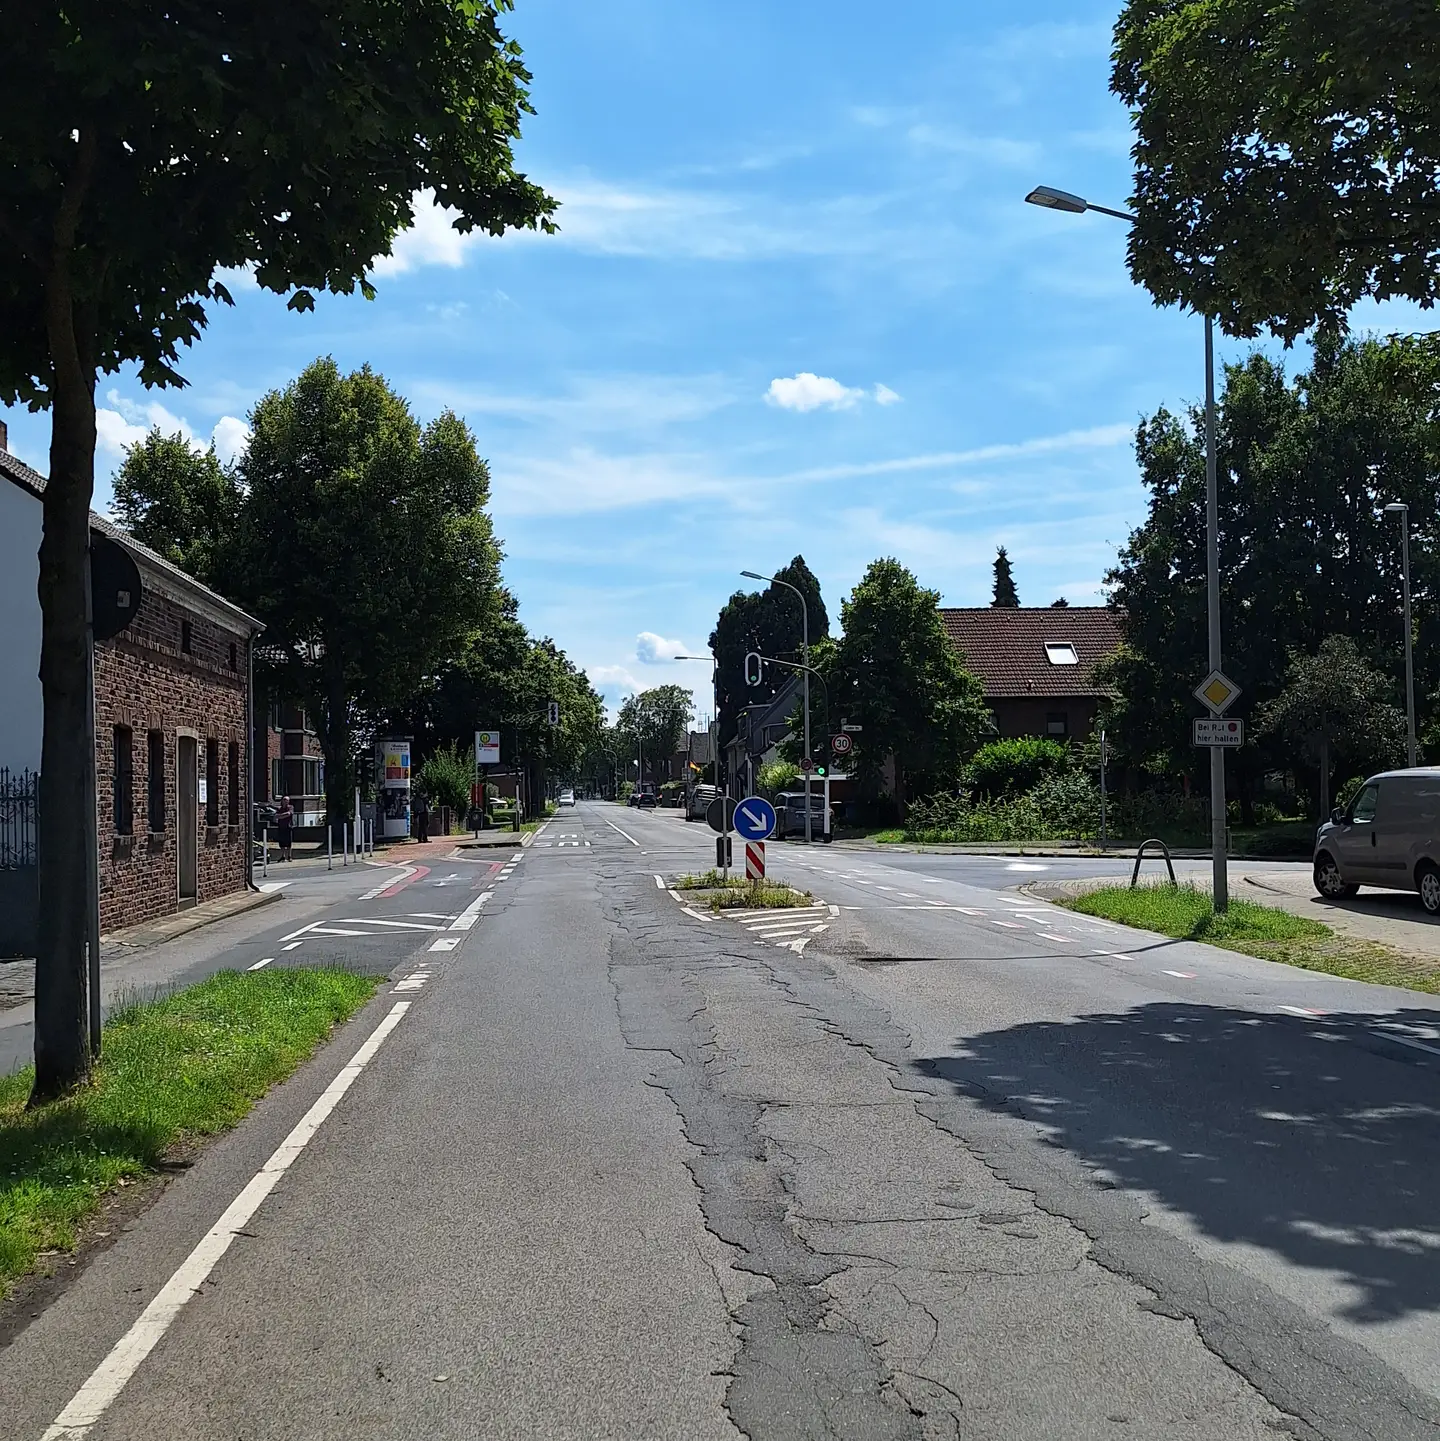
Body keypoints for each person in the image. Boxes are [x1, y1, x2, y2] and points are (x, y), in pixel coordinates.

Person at [275, 795, 294, 861]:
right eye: (284, 800)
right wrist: (283, 815)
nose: (285, 801)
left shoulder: (290, 807)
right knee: (281, 842)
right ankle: (282, 856)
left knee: (289, 842)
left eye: (287, 800)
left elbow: (289, 814)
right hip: (281, 827)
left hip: (288, 827)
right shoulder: (279, 808)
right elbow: (276, 816)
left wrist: (281, 816)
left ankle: (289, 856)